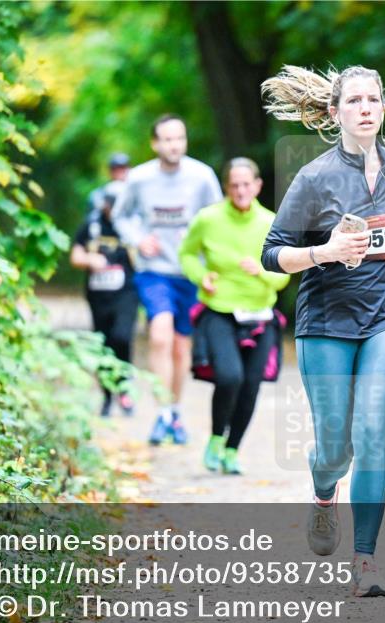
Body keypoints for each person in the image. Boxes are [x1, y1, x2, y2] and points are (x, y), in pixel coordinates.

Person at [261, 65, 385, 596]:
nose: (365, 108)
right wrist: (325, 252)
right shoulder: (314, 178)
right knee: (334, 449)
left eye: (373, 99)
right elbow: (272, 254)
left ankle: (365, 563)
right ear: (336, 112)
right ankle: (323, 493)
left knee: (371, 435)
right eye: (354, 100)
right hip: (327, 323)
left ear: (384, 107)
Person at [112, 115, 223, 445]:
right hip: (154, 270)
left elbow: (217, 219)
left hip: (189, 271)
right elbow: (121, 215)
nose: (174, 145)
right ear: (155, 143)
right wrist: (137, 239)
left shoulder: (202, 176)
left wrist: (214, 263)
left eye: (180, 138)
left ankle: (173, 412)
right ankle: (162, 412)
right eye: (168, 139)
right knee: (159, 334)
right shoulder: (140, 178)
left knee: (180, 346)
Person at [178, 158, 290, 474]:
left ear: (257, 186)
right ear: (227, 187)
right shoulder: (208, 219)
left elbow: (283, 276)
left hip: (260, 314)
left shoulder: (271, 222)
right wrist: (201, 276)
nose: (241, 190)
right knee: (229, 377)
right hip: (219, 311)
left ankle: (232, 450)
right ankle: (215, 438)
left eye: (246, 184)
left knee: (251, 384)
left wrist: (262, 272)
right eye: (234, 185)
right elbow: (186, 253)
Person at [70, 175, 138, 417]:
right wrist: (90, 260)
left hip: (127, 293)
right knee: (103, 342)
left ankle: (124, 387)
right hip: (98, 295)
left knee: (122, 336)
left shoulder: (134, 225)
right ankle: (107, 396)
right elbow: (75, 255)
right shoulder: (92, 225)